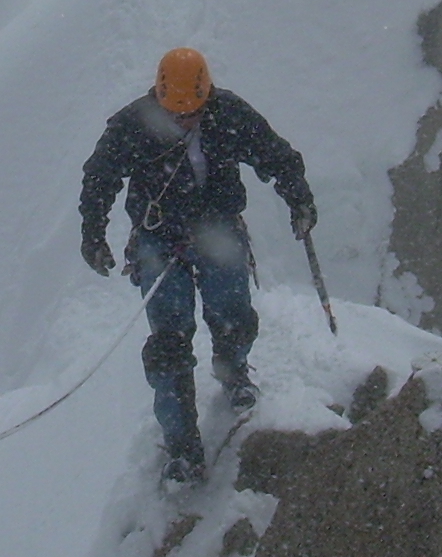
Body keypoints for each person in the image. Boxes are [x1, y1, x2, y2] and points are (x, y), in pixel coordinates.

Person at [80, 47, 316, 483]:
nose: (185, 120)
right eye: (177, 114)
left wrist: (298, 196)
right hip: (158, 239)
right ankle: (182, 448)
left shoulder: (228, 113)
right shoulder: (132, 125)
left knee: (233, 316)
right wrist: (92, 233)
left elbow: (275, 155)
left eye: (192, 113)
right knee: (169, 343)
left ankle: (233, 371)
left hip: (217, 231)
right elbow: (100, 178)